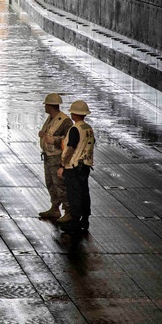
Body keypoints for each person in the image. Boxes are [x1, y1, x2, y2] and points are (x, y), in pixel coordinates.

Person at [58, 100, 95, 234]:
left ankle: (74, 221)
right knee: (84, 193)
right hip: (85, 166)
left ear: (74, 114)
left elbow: (70, 148)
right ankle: (84, 220)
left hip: (73, 167)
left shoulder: (75, 129)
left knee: (74, 194)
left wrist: (62, 165)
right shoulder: (88, 128)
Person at [37, 93, 73, 222]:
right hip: (48, 157)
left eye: (46, 105)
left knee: (60, 185)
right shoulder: (51, 118)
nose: (45, 107)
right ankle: (55, 207)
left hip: (57, 158)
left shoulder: (65, 121)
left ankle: (68, 211)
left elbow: (70, 140)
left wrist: (55, 141)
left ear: (50, 106)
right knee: (50, 183)